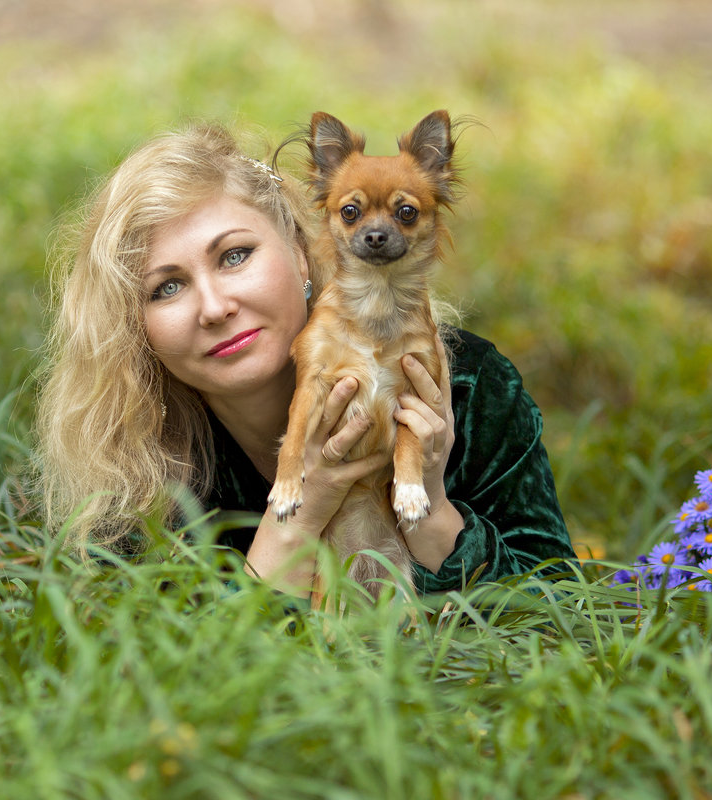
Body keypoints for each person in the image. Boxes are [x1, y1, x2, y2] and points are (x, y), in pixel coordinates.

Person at [32, 121, 575, 597]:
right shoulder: (135, 466)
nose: (216, 308)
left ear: (301, 252)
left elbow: (560, 609)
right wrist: (297, 516)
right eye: (167, 288)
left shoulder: (471, 388)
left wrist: (429, 507)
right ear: (133, 327)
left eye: (235, 256)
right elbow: (161, 682)